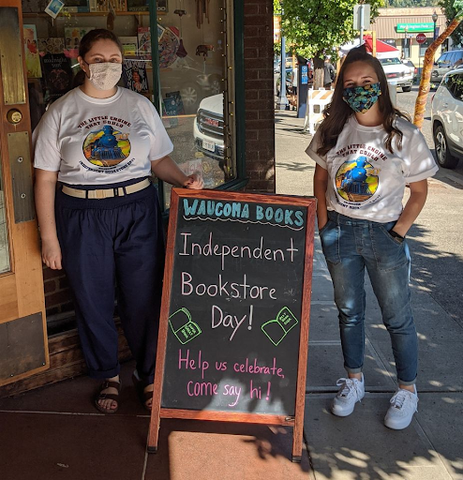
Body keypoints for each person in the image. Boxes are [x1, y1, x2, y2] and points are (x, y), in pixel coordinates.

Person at [33, 29, 203, 414]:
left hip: (137, 208)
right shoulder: (61, 111)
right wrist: (49, 238)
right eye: (99, 60)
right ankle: (108, 373)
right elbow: (44, 177)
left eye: (115, 60)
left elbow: (158, 159)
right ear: (82, 62)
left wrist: (182, 180)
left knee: (143, 295)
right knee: (92, 297)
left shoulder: (138, 105)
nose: (108, 66)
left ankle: (149, 373)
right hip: (82, 213)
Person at [306, 45, 438, 430]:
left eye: (366, 82)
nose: (359, 88)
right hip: (340, 232)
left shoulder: (402, 134)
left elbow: (420, 190)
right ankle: (354, 381)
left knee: (397, 316)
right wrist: (325, 222)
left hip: (385, 235)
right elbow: (318, 177)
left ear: (380, 84)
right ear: (342, 89)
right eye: (350, 83)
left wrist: (398, 233)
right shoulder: (332, 129)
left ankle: (407, 391)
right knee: (349, 311)